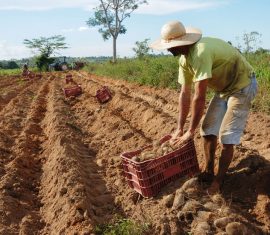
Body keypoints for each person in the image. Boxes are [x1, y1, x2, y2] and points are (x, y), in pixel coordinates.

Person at [150, 21, 258, 193]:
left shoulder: (200, 52)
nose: (169, 50)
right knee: (207, 130)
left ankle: (219, 181)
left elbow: (199, 97)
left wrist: (190, 131)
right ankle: (208, 171)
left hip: (242, 86)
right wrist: (179, 128)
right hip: (223, 90)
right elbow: (185, 94)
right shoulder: (184, 60)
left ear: (181, 43)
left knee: (227, 137)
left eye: (171, 46)